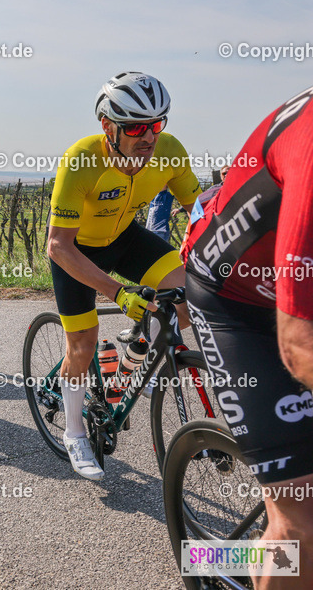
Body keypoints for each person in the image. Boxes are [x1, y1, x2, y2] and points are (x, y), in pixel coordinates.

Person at [181, 85, 313, 589]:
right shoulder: (311, 139)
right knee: (300, 524)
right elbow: (300, 346)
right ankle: (235, 555)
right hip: (234, 299)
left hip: (292, 287)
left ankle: (236, 556)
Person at [47, 71, 201, 480]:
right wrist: (118, 293)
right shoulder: (82, 160)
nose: (148, 136)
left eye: (156, 124)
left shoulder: (169, 151)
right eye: (135, 126)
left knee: (185, 296)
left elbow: (201, 211)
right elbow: (57, 246)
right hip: (77, 251)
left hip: (125, 238)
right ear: (107, 127)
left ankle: (141, 359)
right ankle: (75, 432)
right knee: (81, 345)